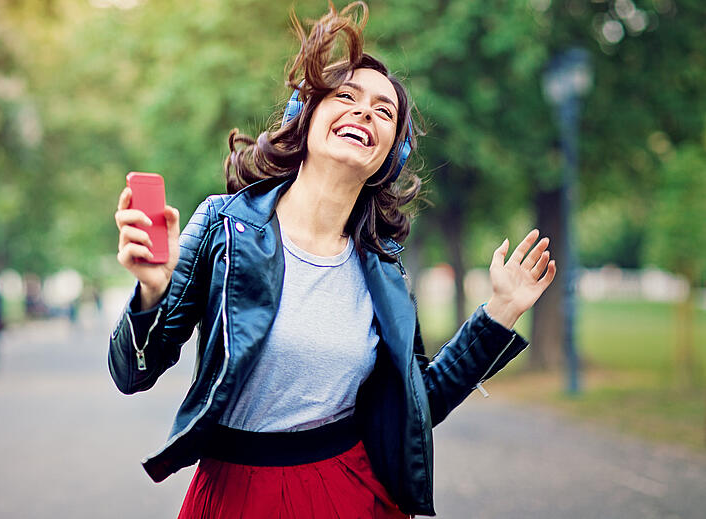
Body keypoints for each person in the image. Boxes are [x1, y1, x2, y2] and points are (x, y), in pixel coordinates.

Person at [109, 3, 556, 517]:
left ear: (391, 154)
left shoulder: (385, 270)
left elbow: (412, 407)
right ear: (307, 117)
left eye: (384, 112)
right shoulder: (221, 226)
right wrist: (152, 291)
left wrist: (499, 313)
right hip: (234, 496)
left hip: (349, 490)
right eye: (346, 97)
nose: (365, 112)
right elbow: (130, 375)